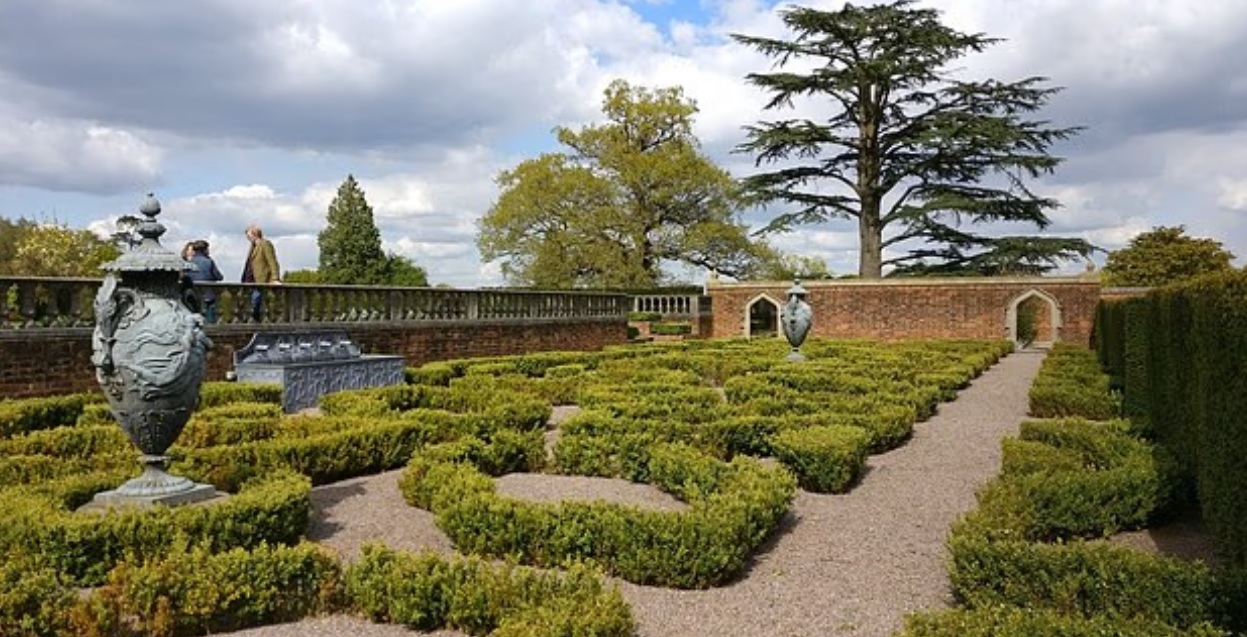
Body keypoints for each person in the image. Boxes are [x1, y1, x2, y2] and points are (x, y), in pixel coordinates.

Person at [241, 224, 281, 321]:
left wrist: (275, 278)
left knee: (256, 302)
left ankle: (257, 320)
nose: (247, 237)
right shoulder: (252, 246)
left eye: (248, 235)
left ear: (255, 234)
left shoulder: (265, 244)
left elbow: (272, 261)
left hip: (260, 279)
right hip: (250, 280)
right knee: (249, 303)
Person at [185, 239, 224, 323]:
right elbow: (219, 277)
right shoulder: (209, 262)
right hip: (208, 296)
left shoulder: (188, 263)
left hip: (193, 296)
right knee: (210, 323)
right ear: (204, 250)